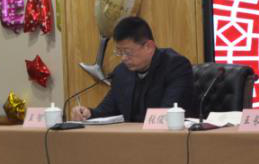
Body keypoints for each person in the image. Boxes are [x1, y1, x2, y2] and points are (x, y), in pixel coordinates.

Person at [69, 16, 197, 122]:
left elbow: (169, 114)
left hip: (170, 140)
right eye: (119, 52)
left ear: (149, 46)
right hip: (132, 139)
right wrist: (88, 113)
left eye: (128, 52)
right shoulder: (121, 72)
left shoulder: (176, 66)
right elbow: (107, 110)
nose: (123, 58)